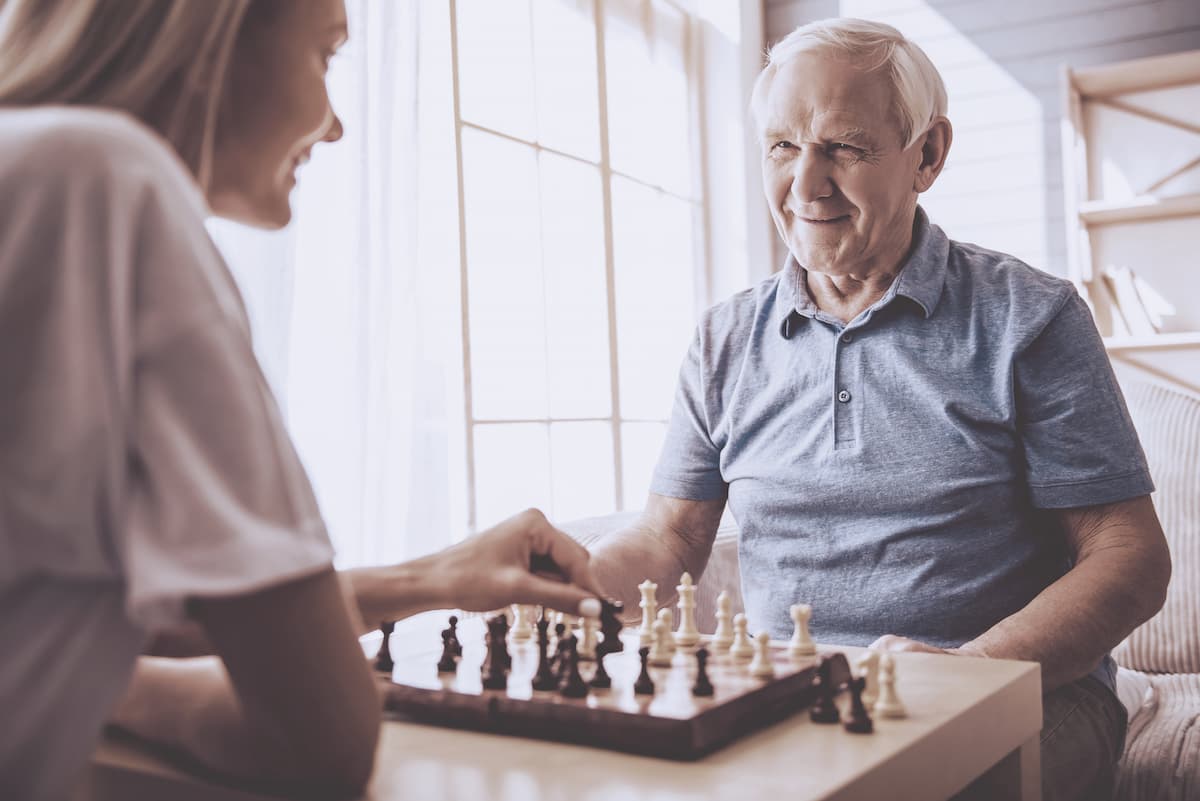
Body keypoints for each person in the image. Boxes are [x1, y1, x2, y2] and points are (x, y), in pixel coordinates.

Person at [0, 2, 601, 799]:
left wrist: (432, 577)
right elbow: (320, 733)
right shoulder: (107, 180)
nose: (336, 126)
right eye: (327, 56)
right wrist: (120, 686)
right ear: (209, 38)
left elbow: (83, 605)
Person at [588, 18, 1171, 801]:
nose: (805, 185)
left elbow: (1129, 555)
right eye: (783, 146)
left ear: (927, 154)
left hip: (1018, 695)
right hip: (792, 700)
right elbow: (670, 537)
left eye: (845, 147)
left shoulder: (1031, 316)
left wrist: (971, 674)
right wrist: (564, 579)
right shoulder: (723, 339)